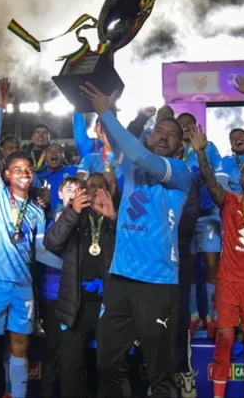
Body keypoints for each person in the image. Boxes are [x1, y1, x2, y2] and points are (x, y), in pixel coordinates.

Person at [79, 82, 192, 398]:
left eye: (172, 134)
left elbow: (139, 153)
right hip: (120, 280)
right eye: (160, 131)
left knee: (161, 374)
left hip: (157, 284)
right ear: (151, 134)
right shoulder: (127, 163)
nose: (164, 136)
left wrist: (107, 112)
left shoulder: (180, 173)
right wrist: (109, 110)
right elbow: (121, 141)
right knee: (105, 364)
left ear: (179, 147)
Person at [0, 78, 63, 398]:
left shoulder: (37, 212)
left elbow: (40, 250)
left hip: (24, 286)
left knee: (20, 345)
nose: (24, 172)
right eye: (17, 168)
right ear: (6, 174)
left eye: (28, 169)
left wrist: (71, 264)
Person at [191, 118, 244, 398]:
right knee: (224, 341)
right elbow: (208, 181)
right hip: (228, 282)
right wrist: (201, 152)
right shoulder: (228, 202)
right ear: (241, 177)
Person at [44, 174, 118, 397]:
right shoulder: (75, 215)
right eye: (91, 186)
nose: (96, 191)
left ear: (110, 190)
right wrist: (73, 212)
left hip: (109, 307)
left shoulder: (118, 216)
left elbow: (133, 250)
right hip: (74, 306)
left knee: (109, 368)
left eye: (101, 186)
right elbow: (52, 243)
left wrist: (113, 218)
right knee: (71, 369)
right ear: (83, 191)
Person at [176, 112, 223, 339]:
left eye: (189, 123)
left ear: (196, 127)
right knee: (188, 266)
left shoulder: (208, 147)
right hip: (184, 217)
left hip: (207, 215)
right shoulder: (175, 149)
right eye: (181, 123)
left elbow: (217, 177)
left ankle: (213, 315)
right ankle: (194, 315)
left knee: (212, 265)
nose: (185, 126)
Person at [36, 143, 79, 210]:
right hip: (48, 217)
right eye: (50, 152)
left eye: (58, 152)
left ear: (63, 156)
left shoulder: (74, 171)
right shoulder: (39, 177)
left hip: (71, 214)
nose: (54, 154)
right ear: (45, 157)